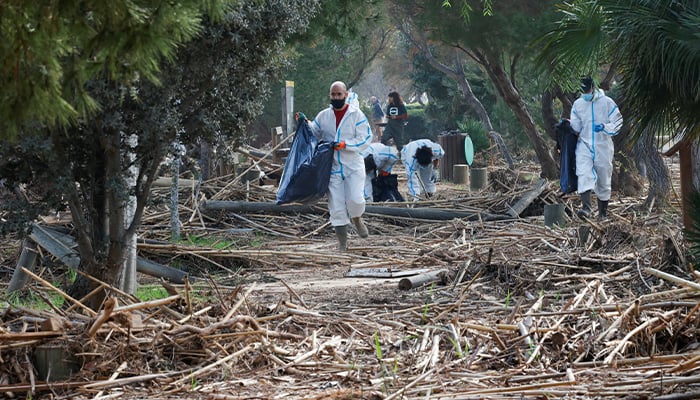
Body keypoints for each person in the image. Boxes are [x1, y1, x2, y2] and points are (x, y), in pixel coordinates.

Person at [307, 81, 372, 251]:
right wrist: (304, 123)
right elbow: (314, 131)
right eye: (333, 95)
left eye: (339, 94)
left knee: (355, 199)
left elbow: (366, 138)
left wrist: (346, 144)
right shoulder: (324, 116)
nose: (336, 97)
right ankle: (342, 244)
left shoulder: (356, 115)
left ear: (346, 95)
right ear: (330, 95)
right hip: (333, 165)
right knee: (336, 206)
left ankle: (357, 217)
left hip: (352, 165)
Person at [570, 77, 623, 220]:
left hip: (603, 145)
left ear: (593, 87)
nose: (585, 93)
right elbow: (576, 126)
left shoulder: (607, 102)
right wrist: (568, 126)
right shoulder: (578, 104)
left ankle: (602, 213)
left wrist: (605, 127)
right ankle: (586, 209)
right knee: (583, 173)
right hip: (584, 144)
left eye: (587, 90)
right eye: (583, 91)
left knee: (603, 177)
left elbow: (618, 122)